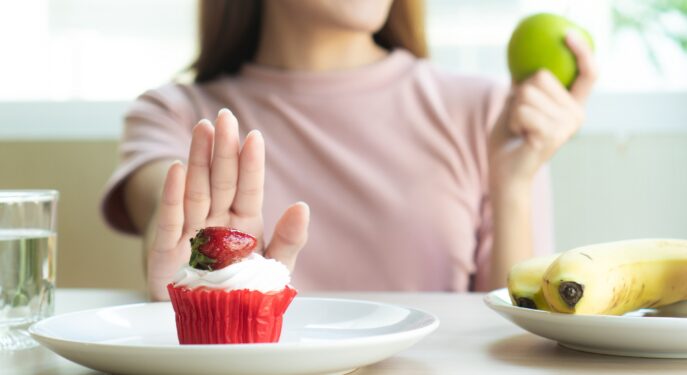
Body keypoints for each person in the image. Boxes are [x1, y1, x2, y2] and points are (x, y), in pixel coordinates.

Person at [101, 0, 597, 300]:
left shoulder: (488, 112)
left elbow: (509, 337)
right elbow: (167, 235)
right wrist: (200, 284)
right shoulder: (174, 114)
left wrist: (512, 184)